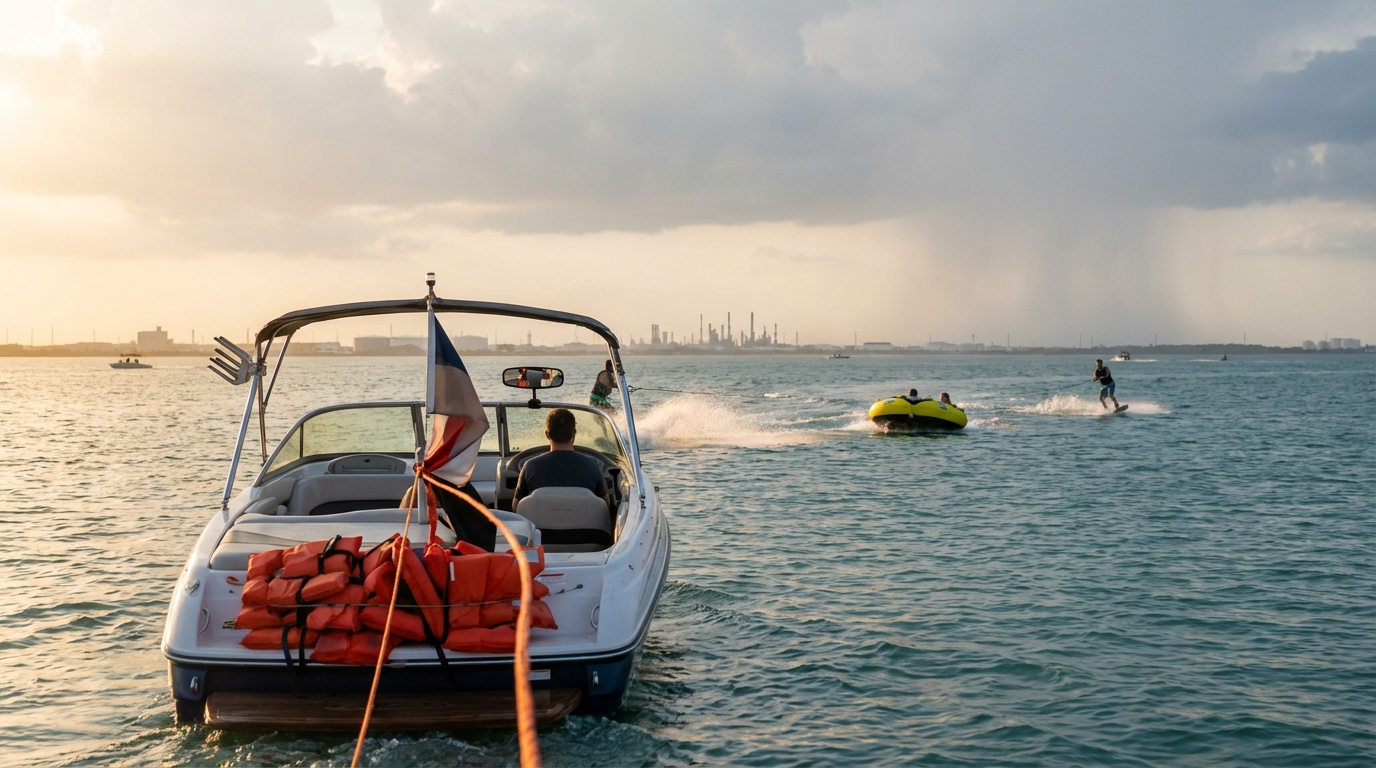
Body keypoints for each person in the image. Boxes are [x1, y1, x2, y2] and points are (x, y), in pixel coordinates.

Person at [513, 408, 607, 506]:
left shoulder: (530, 466)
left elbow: (516, 506)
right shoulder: (593, 465)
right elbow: (605, 505)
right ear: (574, 433)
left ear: (547, 434)